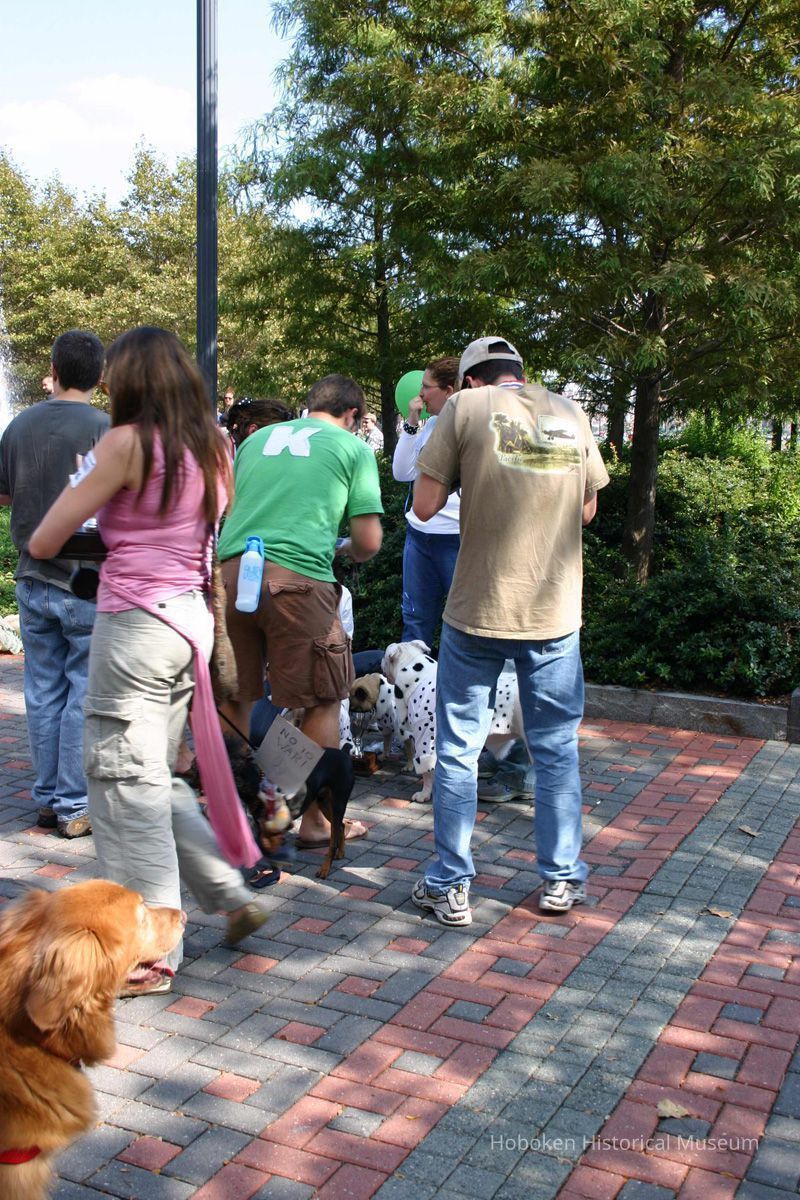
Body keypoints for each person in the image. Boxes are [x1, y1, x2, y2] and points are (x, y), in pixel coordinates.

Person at [28, 327, 267, 995]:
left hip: (134, 625)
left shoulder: (125, 443)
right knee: (153, 777)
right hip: (187, 621)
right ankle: (228, 891)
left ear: (128, 382)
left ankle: (152, 956)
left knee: (122, 785)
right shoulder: (219, 447)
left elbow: (47, 537)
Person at [410, 336, 609, 926]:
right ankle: (560, 881)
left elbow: (423, 506)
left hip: (477, 610)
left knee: (457, 751)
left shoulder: (463, 410)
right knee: (554, 751)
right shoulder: (571, 412)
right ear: (520, 374)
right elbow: (587, 509)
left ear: (471, 380)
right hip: (552, 612)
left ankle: (450, 885)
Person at [217, 373, 383, 847]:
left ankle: (236, 820)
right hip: (298, 582)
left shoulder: (255, 441)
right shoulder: (352, 449)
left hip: (232, 575)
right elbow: (369, 542)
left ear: (309, 406)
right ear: (353, 416)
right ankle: (314, 823)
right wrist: (344, 549)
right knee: (322, 700)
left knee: (236, 699)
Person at [0, 330, 108, 838]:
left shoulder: (18, 425)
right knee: (82, 692)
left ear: (54, 368)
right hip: (84, 579)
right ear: (101, 377)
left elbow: (5, 497)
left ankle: (48, 798)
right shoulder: (106, 429)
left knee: (42, 691)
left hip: (31, 573)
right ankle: (72, 805)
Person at [392, 357, 459, 647]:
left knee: (461, 628)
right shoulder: (430, 424)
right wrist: (411, 423)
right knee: (415, 623)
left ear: (448, 390)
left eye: (426, 387)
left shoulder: (473, 427)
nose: (419, 394)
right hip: (419, 537)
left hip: (457, 538)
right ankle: (411, 692)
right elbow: (402, 472)